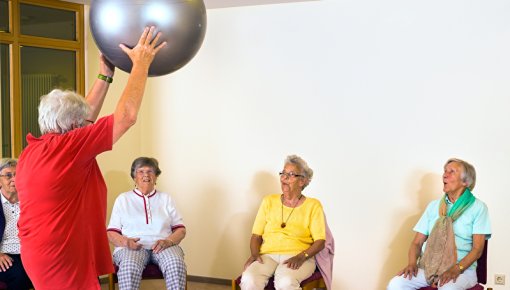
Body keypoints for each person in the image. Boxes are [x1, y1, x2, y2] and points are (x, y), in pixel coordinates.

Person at [15, 27, 167, 290]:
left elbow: (84, 120)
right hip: (60, 255)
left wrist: (105, 75)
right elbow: (127, 116)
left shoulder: (36, 149)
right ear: (73, 124)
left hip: (42, 251)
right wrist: (141, 64)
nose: (86, 124)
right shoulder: (68, 149)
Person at [387, 158, 491, 290]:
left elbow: (477, 249)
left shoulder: (478, 207)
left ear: (465, 181)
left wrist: (456, 269)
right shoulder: (433, 206)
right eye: (445, 171)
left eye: (451, 172)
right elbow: (416, 243)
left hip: (462, 271)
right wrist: (412, 263)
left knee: (447, 288)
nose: (445, 175)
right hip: (429, 268)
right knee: (396, 284)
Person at [240, 155, 326, 290]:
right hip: (268, 255)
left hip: (298, 256)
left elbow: (320, 241)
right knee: (249, 279)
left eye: (291, 175)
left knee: (285, 282)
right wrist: (255, 254)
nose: (284, 178)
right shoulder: (268, 201)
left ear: (302, 181)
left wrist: (301, 257)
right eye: (283, 173)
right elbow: (256, 236)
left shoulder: (313, 205)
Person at [107, 157, 187, 290]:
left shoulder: (166, 198)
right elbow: (111, 232)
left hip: (164, 245)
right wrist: (126, 242)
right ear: (134, 177)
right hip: (131, 247)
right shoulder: (123, 199)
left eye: (150, 171)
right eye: (141, 171)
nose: (146, 175)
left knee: (175, 263)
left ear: (156, 177)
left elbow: (180, 229)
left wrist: (168, 241)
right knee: (129, 267)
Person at [0, 159, 31, 290]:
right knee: (19, 275)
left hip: (30, 252)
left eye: (17, 174)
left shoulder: (29, 201)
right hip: (4, 254)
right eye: (8, 175)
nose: (14, 179)